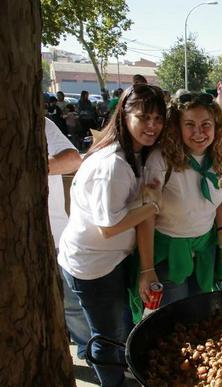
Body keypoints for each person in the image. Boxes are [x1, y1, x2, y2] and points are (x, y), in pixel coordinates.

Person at [58, 84, 166, 386]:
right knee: (109, 336)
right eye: (144, 117)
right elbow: (109, 227)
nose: (152, 126)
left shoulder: (132, 154)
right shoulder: (113, 164)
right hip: (92, 266)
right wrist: (151, 205)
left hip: (106, 260)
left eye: (158, 119)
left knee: (116, 327)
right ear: (124, 115)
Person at [133, 92, 222, 320]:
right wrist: (147, 268)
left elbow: (219, 200)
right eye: (190, 124)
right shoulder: (161, 160)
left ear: (217, 126)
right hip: (169, 252)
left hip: (204, 249)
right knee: (175, 317)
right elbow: (145, 217)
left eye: (206, 125)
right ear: (176, 127)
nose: (199, 132)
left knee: (200, 312)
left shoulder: (219, 156)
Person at [45, 118, 89, 359]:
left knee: (71, 304)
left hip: (56, 236)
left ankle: (87, 351)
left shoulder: (40, 124)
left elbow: (73, 159)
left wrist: (27, 164)